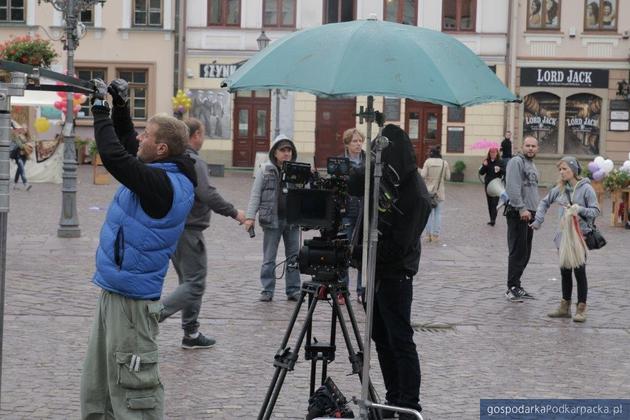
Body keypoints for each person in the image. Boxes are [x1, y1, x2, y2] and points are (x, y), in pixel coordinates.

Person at [80, 79, 196, 419]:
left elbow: (116, 157)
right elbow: (129, 144)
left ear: (161, 148)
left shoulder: (163, 185)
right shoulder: (161, 169)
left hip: (131, 306)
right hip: (115, 292)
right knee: (98, 389)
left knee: (134, 395)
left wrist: (99, 111)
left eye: (148, 134)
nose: (140, 138)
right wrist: (119, 107)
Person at [348, 124, 431, 419]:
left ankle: (409, 403)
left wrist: (359, 253)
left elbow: (400, 244)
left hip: (396, 275)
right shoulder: (383, 182)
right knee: (381, 339)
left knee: (400, 339)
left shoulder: (415, 193)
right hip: (375, 273)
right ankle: (393, 397)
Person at [159, 118, 246, 349]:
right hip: (189, 231)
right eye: (202, 133)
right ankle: (152, 317)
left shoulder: (174, 159)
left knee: (187, 281)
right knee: (195, 284)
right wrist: (234, 212)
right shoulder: (193, 161)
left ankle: (191, 333)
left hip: (175, 228)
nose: (203, 138)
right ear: (195, 135)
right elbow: (207, 193)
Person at [530, 157, 600, 322]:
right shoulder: (559, 189)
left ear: (574, 170)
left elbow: (596, 210)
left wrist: (579, 209)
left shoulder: (586, 189)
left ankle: (581, 308)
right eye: (560, 169)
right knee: (565, 271)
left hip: (580, 236)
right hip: (563, 237)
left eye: (565, 169)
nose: (561, 172)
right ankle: (564, 307)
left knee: (579, 271)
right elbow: (544, 203)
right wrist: (538, 220)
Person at [244, 134, 302, 302]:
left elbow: (305, 194)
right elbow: (255, 195)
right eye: (282, 150)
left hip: (292, 221)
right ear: (274, 153)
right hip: (272, 220)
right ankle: (267, 290)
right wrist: (250, 217)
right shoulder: (264, 169)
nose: (286, 153)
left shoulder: (298, 170)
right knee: (269, 257)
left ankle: (293, 289)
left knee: (293, 257)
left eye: (289, 150)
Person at [504, 136, 540, 302]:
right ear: (522, 146)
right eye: (527, 146)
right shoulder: (516, 162)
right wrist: (521, 208)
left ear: (537, 148)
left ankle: (517, 285)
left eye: (533, 146)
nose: (530, 148)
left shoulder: (531, 164)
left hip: (530, 214)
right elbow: (512, 187)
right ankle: (511, 288)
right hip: (518, 213)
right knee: (518, 251)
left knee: (525, 252)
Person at [339, 127, 366, 304]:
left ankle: (361, 290)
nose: (358, 144)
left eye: (360, 141)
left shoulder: (368, 160)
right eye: (354, 141)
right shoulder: (341, 161)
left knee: (362, 252)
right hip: (347, 211)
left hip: (364, 211)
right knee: (344, 250)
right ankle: (342, 289)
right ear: (347, 143)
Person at [420, 146, 450, 242]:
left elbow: (422, 176)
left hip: (429, 192)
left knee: (428, 214)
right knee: (438, 214)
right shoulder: (444, 163)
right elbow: (448, 177)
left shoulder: (427, 162)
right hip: (439, 192)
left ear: (431, 153)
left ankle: (428, 235)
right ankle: (435, 236)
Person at [478, 147, 505, 226]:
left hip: (497, 185)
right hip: (488, 185)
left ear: (497, 153)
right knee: (490, 203)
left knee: (495, 203)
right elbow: (481, 172)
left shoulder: (500, 162)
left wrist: (500, 169)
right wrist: (484, 165)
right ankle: (491, 218)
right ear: (489, 154)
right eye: (491, 153)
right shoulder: (487, 161)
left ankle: (493, 219)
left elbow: (505, 171)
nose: (492, 154)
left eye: (494, 153)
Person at [9, 124, 32, 191]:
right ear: (21, 129)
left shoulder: (27, 137)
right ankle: (26, 184)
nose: (25, 130)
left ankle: (15, 184)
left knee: (19, 170)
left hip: (24, 155)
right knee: (22, 170)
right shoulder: (17, 136)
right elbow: (20, 145)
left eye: (26, 128)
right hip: (18, 156)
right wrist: (26, 145)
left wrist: (27, 145)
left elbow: (30, 145)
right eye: (24, 128)